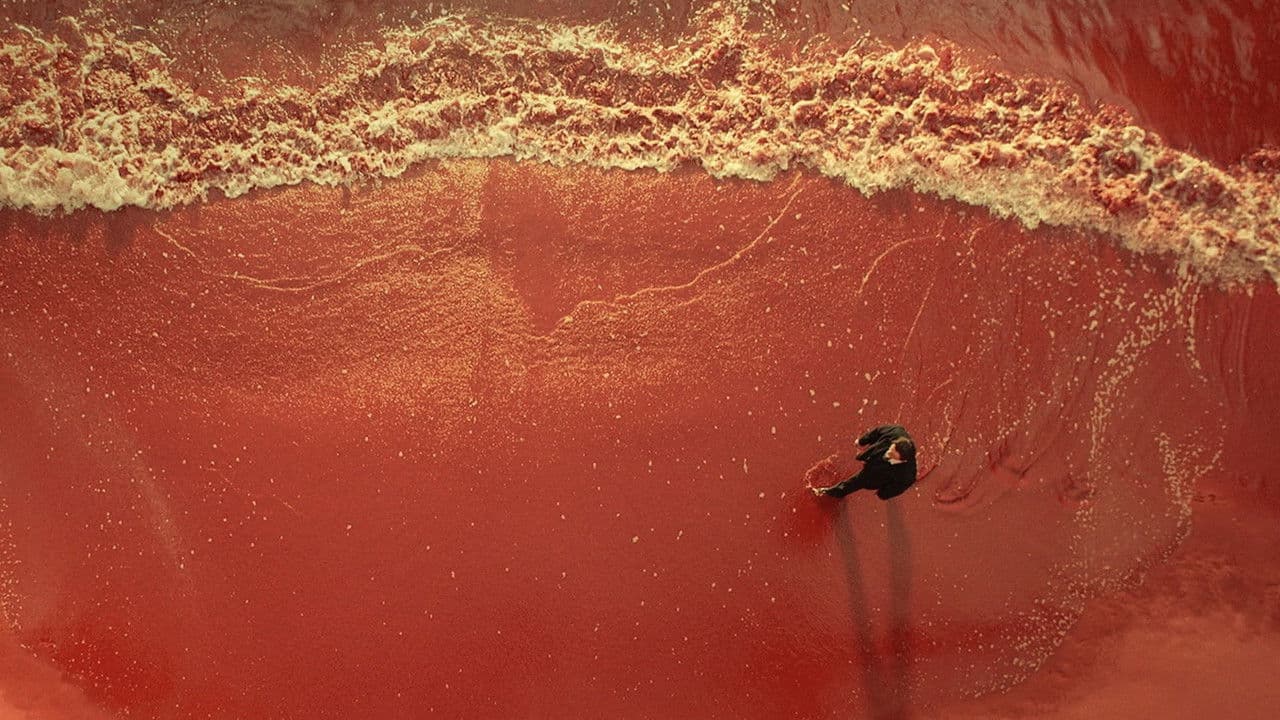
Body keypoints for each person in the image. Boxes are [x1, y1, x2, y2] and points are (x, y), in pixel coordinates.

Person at [811, 424, 917, 500]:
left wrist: (883, 494)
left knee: (854, 483)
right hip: (873, 455)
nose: (888, 453)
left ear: (903, 460)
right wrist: (862, 441)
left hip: (875, 475)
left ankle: (829, 493)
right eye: (891, 449)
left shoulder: (907, 475)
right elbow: (877, 431)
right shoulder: (895, 432)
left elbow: (896, 488)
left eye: (892, 455)